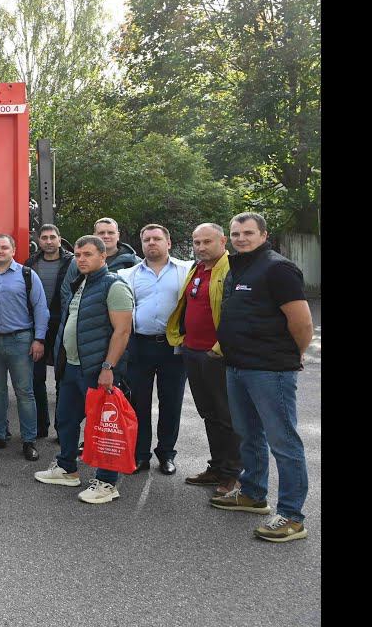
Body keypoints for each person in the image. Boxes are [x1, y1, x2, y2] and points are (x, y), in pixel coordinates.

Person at [209, 212, 314, 543]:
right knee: (248, 434)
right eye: (236, 233)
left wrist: (293, 354)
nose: (241, 238)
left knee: (283, 441)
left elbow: (302, 323)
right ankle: (253, 494)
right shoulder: (238, 267)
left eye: (248, 233)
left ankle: (292, 516)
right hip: (237, 366)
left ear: (264, 235)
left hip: (270, 370)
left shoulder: (278, 268)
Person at [33, 235, 134, 504]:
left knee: (103, 426)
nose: (81, 259)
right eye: (78, 255)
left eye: (88, 254)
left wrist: (108, 367)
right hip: (72, 366)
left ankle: (107, 483)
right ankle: (67, 468)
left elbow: (123, 331)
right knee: (66, 419)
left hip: (96, 368)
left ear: (103, 256)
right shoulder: (81, 282)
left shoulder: (114, 285)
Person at [166, 223, 242, 495]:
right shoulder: (196, 269)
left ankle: (233, 474)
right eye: (197, 242)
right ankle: (217, 467)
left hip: (217, 354)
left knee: (227, 416)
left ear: (223, 241)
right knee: (209, 413)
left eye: (207, 242)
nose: (200, 247)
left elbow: (237, 314)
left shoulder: (233, 270)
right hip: (192, 351)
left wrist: (218, 348)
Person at [117, 224, 193, 474]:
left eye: (157, 238)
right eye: (147, 239)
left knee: (171, 402)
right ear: (141, 244)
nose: (151, 243)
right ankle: (140, 454)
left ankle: (167, 453)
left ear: (168, 243)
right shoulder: (127, 274)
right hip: (139, 346)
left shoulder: (186, 270)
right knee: (138, 403)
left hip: (173, 348)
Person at [0, 234, 49, 461]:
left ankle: (29, 440)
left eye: (4, 247)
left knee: (24, 392)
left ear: (13, 250)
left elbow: (40, 308)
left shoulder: (27, 275)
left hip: (20, 341)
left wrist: (39, 339)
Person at [25, 224, 74, 441]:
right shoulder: (30, 264)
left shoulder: (72, 262)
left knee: (62, 379)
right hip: (37, 325)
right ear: (39, 240)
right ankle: (40, 426)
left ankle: (62, 429)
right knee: (36, 378)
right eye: (44, 237)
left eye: (52, 237)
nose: (48, 241)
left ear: (59, 239)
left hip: (62, 324)